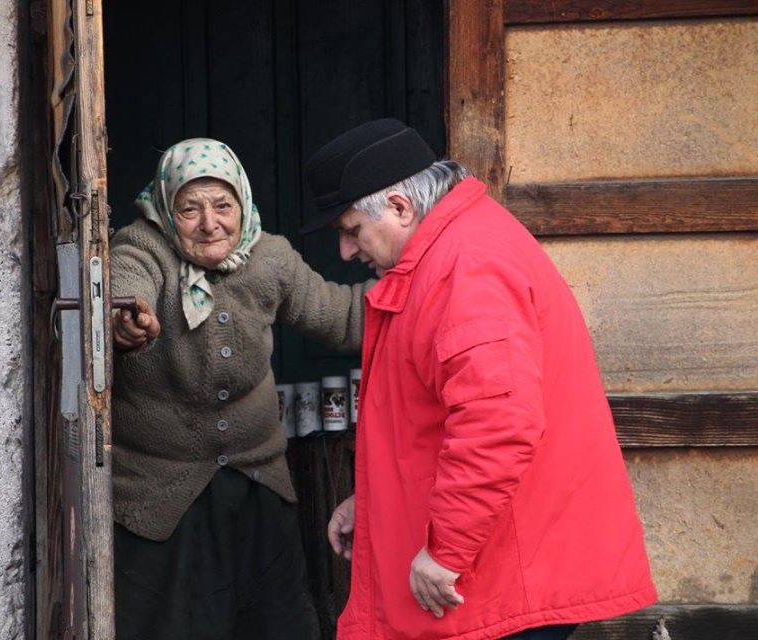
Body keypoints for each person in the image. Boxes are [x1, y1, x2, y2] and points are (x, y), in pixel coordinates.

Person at [304, 119, 656, 640]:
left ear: (400, 207)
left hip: (505, 576)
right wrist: (375, 502)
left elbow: (497, 425)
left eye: (351, 230)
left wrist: (446, 552)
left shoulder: (467, 267)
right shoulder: (454, 249)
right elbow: (437, 417)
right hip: (505, 567)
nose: (346, 252)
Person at [108, 138, 371, 639]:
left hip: (257, 480)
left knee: (275, 623)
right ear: (166, 207)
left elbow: (341, 317)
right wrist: (128, 322)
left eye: (223, 206)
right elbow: (123, 292)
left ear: (243, 204)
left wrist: (423, 284)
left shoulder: (270, 257)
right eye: (190, 209)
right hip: (159, 492)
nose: (210, 223)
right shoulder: (141, 246)